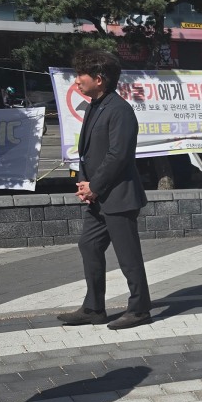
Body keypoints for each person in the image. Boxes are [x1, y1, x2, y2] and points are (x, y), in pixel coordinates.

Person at [58, 49, 150, 330]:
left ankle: (140, 309)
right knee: (89, 245)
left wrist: (94, 186)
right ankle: (94, 308)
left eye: (80, 76)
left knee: (128, 257)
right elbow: (88, 153)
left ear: (99, 79)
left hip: (118, 196)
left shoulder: (120, 110)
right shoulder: (96, 106)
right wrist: (86, 185)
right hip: (97, 197)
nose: (76, 81)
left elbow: (119, 155)